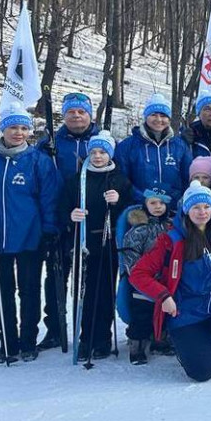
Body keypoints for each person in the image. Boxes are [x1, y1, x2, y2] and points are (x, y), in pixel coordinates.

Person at [129, 180, 211, 382]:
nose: (202, 212)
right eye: (196, 207)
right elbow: (138, 273)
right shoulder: (171, 240)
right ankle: (189, 346)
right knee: (203, 372)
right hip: (186, 316)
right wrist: (163, 295)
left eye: (207, 206)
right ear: (186, 210)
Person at [0, 109, 61, 363]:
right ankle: (8, 343)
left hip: (30, 236)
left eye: (23, 128)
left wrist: (50, 230)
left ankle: (28, 340)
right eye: (13, 128)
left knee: (29, 290)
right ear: (3, 130)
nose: (18, 133)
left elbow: (49, 198)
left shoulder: (37, 160)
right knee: (2, 291)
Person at [36, 91, 100, 350]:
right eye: (71, 112)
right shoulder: (50, 143)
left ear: (89, 114)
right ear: (64, 115)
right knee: (55, 276)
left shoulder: (101, 141)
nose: (76, 116)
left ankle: (91, 330)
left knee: (91, 277)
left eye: (81, 111)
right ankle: (55, 329)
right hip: (60, 217)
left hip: (91, 218)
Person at [60, 131, 131, 361]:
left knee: (105, 292)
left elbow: (131, 211)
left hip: (108, 242)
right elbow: (61, 209)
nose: (98, 156)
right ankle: (85, 338)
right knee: (86, 292)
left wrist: (118, 201)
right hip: (85, 242)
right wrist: (71, 215)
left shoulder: (118, 178)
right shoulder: (76, 179)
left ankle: (102, 338)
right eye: (93, 152)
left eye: (102, 152)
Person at [118, 188, 174, 365]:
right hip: (142, 282)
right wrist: (140, 277)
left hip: (165, 280)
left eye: (162, 203)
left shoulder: (171, 227)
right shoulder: (139, 230)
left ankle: (160, 339)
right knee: (141, 314)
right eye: (153, 203)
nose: (158, 207)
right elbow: (130, 255)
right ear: (145, 204)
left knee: (164, 312)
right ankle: (137, 346)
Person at [115, 93, 192, 203]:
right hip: (139, 207)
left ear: (169, 119)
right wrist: (144, 199)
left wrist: (176, 199)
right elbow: (121, 178)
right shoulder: (128, 145)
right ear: (146, 117)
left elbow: (188, 177)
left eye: (163, 115)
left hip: (173, 208)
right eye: (154, 115)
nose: (158, 119)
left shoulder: (180, 146)